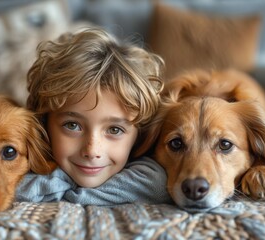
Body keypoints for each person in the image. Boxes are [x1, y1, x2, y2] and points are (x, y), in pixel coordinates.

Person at [16, 27, 172, 205]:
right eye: (72, 125)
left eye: (114, 129)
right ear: (44, 122)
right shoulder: (18, 160)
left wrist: (68, 192)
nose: (92, 151)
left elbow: (157, 186)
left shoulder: (148, 174)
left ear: (138, 135)